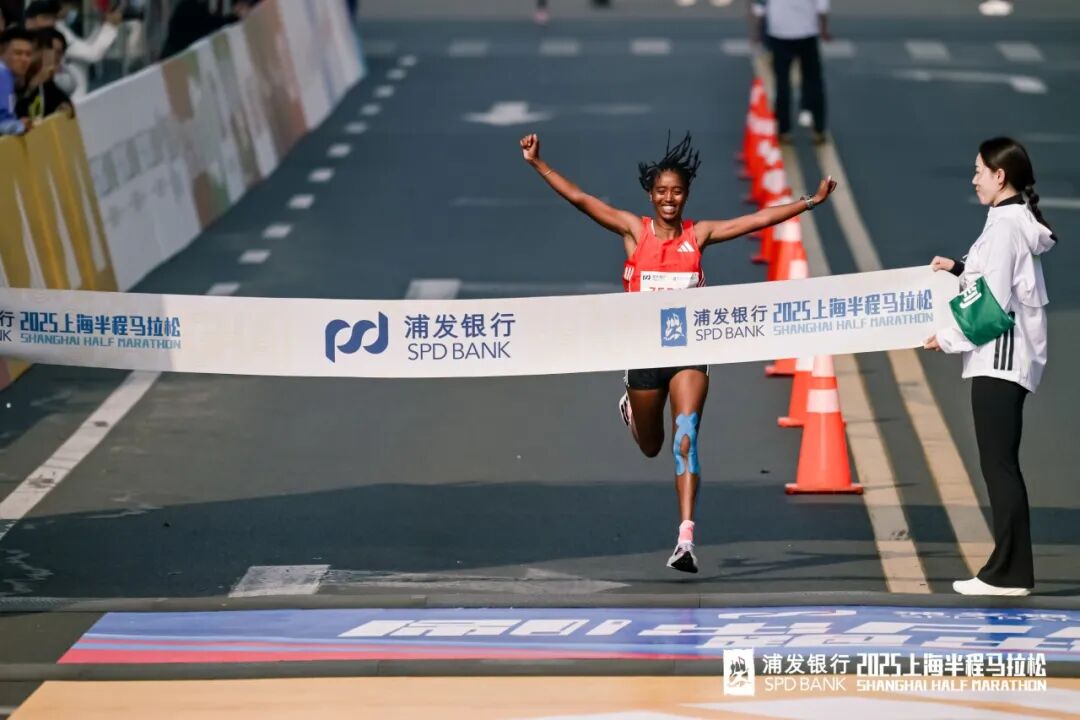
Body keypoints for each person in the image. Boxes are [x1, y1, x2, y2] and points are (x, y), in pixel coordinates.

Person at [520, 131, 836, 573]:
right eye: (662, 191)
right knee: (652, 446)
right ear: (651, 195)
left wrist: (810, 201)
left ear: (686, 196)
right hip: (644, 357)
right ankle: (632, 409)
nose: (669, 199)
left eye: (677, 192)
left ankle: (685, 538)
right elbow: (581, 199)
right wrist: (539, 163)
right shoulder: (635, 231)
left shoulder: (698, 234)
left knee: (685, 438)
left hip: (690, 352)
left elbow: (757, 221)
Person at [924, 137, 1056, 597]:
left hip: (1001, 356)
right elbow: (997, 282)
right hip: (1005, 354)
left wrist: (947, 337)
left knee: (999, 465)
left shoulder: (1005, 227)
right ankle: (1009, 569)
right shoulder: (1008, 220)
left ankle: (1010, 573)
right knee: (999, 464)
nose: (974, 177)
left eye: (980, 170)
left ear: (1001, 176)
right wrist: (960, 270)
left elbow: (996, 305)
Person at [751, 0, 829, 145]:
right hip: (807, 32)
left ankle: (784, 129)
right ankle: (818, 128)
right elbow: (822, 5)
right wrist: (824, 29)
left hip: (779, 32)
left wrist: (756, 34)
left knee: (782, 84)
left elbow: (760, 7)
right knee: (812, 81)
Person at [17, 28, 73, 124]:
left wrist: (66, 107)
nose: (53, 56)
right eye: (49, 50)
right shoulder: (15, 77)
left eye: (58, 53)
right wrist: (33, 85)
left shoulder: (48, 85)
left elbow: (63, 103)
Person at [0, 26, 33, 135]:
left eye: (28, 54)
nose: (24, 59)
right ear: (2, 52)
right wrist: (19, 125)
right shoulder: (2, 74)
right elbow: (3, 121)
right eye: (18, 53)